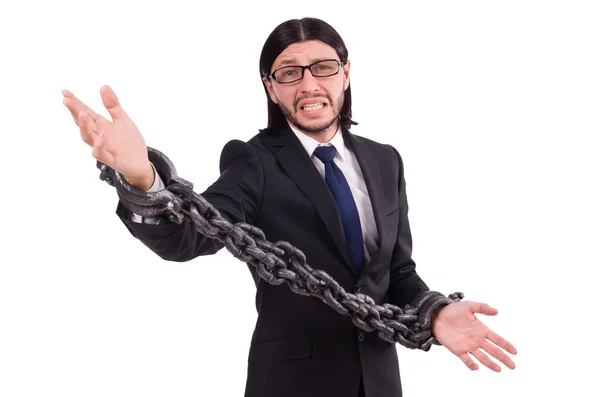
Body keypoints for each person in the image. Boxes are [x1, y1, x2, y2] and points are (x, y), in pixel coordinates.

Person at [62, 17, 517, 397]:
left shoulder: (385, 160)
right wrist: (142, 176)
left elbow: (396, 272)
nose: (309, 84)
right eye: (289, 72)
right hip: (291, 382)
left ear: (346, 73)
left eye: (323, 67)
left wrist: (433, 312)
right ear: (271, 87)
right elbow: (190, 236)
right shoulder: (254, 161)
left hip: (379, 383)